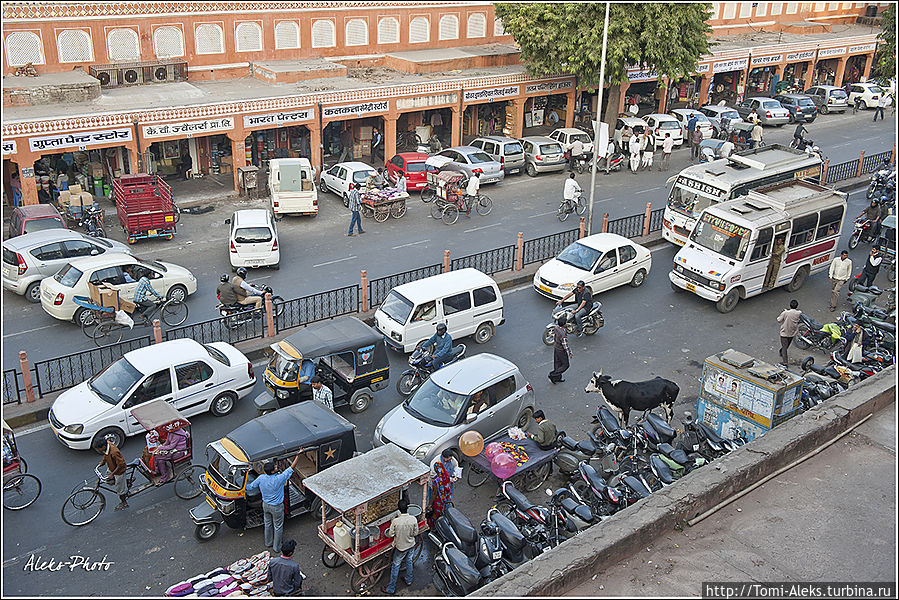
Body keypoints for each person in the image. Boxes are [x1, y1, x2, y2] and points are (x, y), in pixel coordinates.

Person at [246, 453, 301, 553]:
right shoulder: (279, 479)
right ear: (272, 471)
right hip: (277, 507)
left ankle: (268, 542)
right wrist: (298, 455)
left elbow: (250, 487)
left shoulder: (261, 478)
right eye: (275, 467)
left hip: (265, 505)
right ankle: (277, 547)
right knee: (278, 526)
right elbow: (291, 467)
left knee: (267, 524)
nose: (276, 467)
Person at [381, 498, 420, 595]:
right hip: (411, 545)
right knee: (409, 561)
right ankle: (409, 580)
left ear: (398, 509)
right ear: (407, 508)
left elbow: (390, 534)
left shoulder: (395, 521)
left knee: (395, 566)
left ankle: (391, 588)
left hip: (401, 548)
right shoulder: (413, 519)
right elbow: (416, 533)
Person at [96, 439, 129, 511]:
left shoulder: (114, 452)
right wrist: (103, 462)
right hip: (112, 467)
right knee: (108, 480)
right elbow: (106, 454)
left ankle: (124, 502)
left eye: (99, 448)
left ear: (104, 446)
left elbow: (121, 464)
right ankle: (126, 482)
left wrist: (112, 474)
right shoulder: (107, 444)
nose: (98, 450)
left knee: (119, 490)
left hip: (119, 471)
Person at [428, 458, 454, 528]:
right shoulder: (447, 476)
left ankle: (434, 528)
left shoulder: (437, 480)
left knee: (435, 515)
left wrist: (429, 504)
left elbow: (434, 494)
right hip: (447, 499)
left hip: (439, 501)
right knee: (444, 512)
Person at [777, 299, 802, 367]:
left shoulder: (785, 313)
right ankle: (781, 352)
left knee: (784, 347)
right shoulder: (798, 313)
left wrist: (785, 312)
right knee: (787, 344)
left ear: (790, 305)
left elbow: (779, 320)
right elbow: (795, 313)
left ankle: (785, 362)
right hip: (792, 332)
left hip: (785, 332)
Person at [548, 314, 572, 384]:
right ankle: (553, 374)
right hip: (561, 351)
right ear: (564, 324)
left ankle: (557, 378)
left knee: (557, 364)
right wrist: (570, 353)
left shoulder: (556, 328)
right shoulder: (563, 334)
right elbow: (565, 345)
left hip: (556, 348)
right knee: (565, 365)